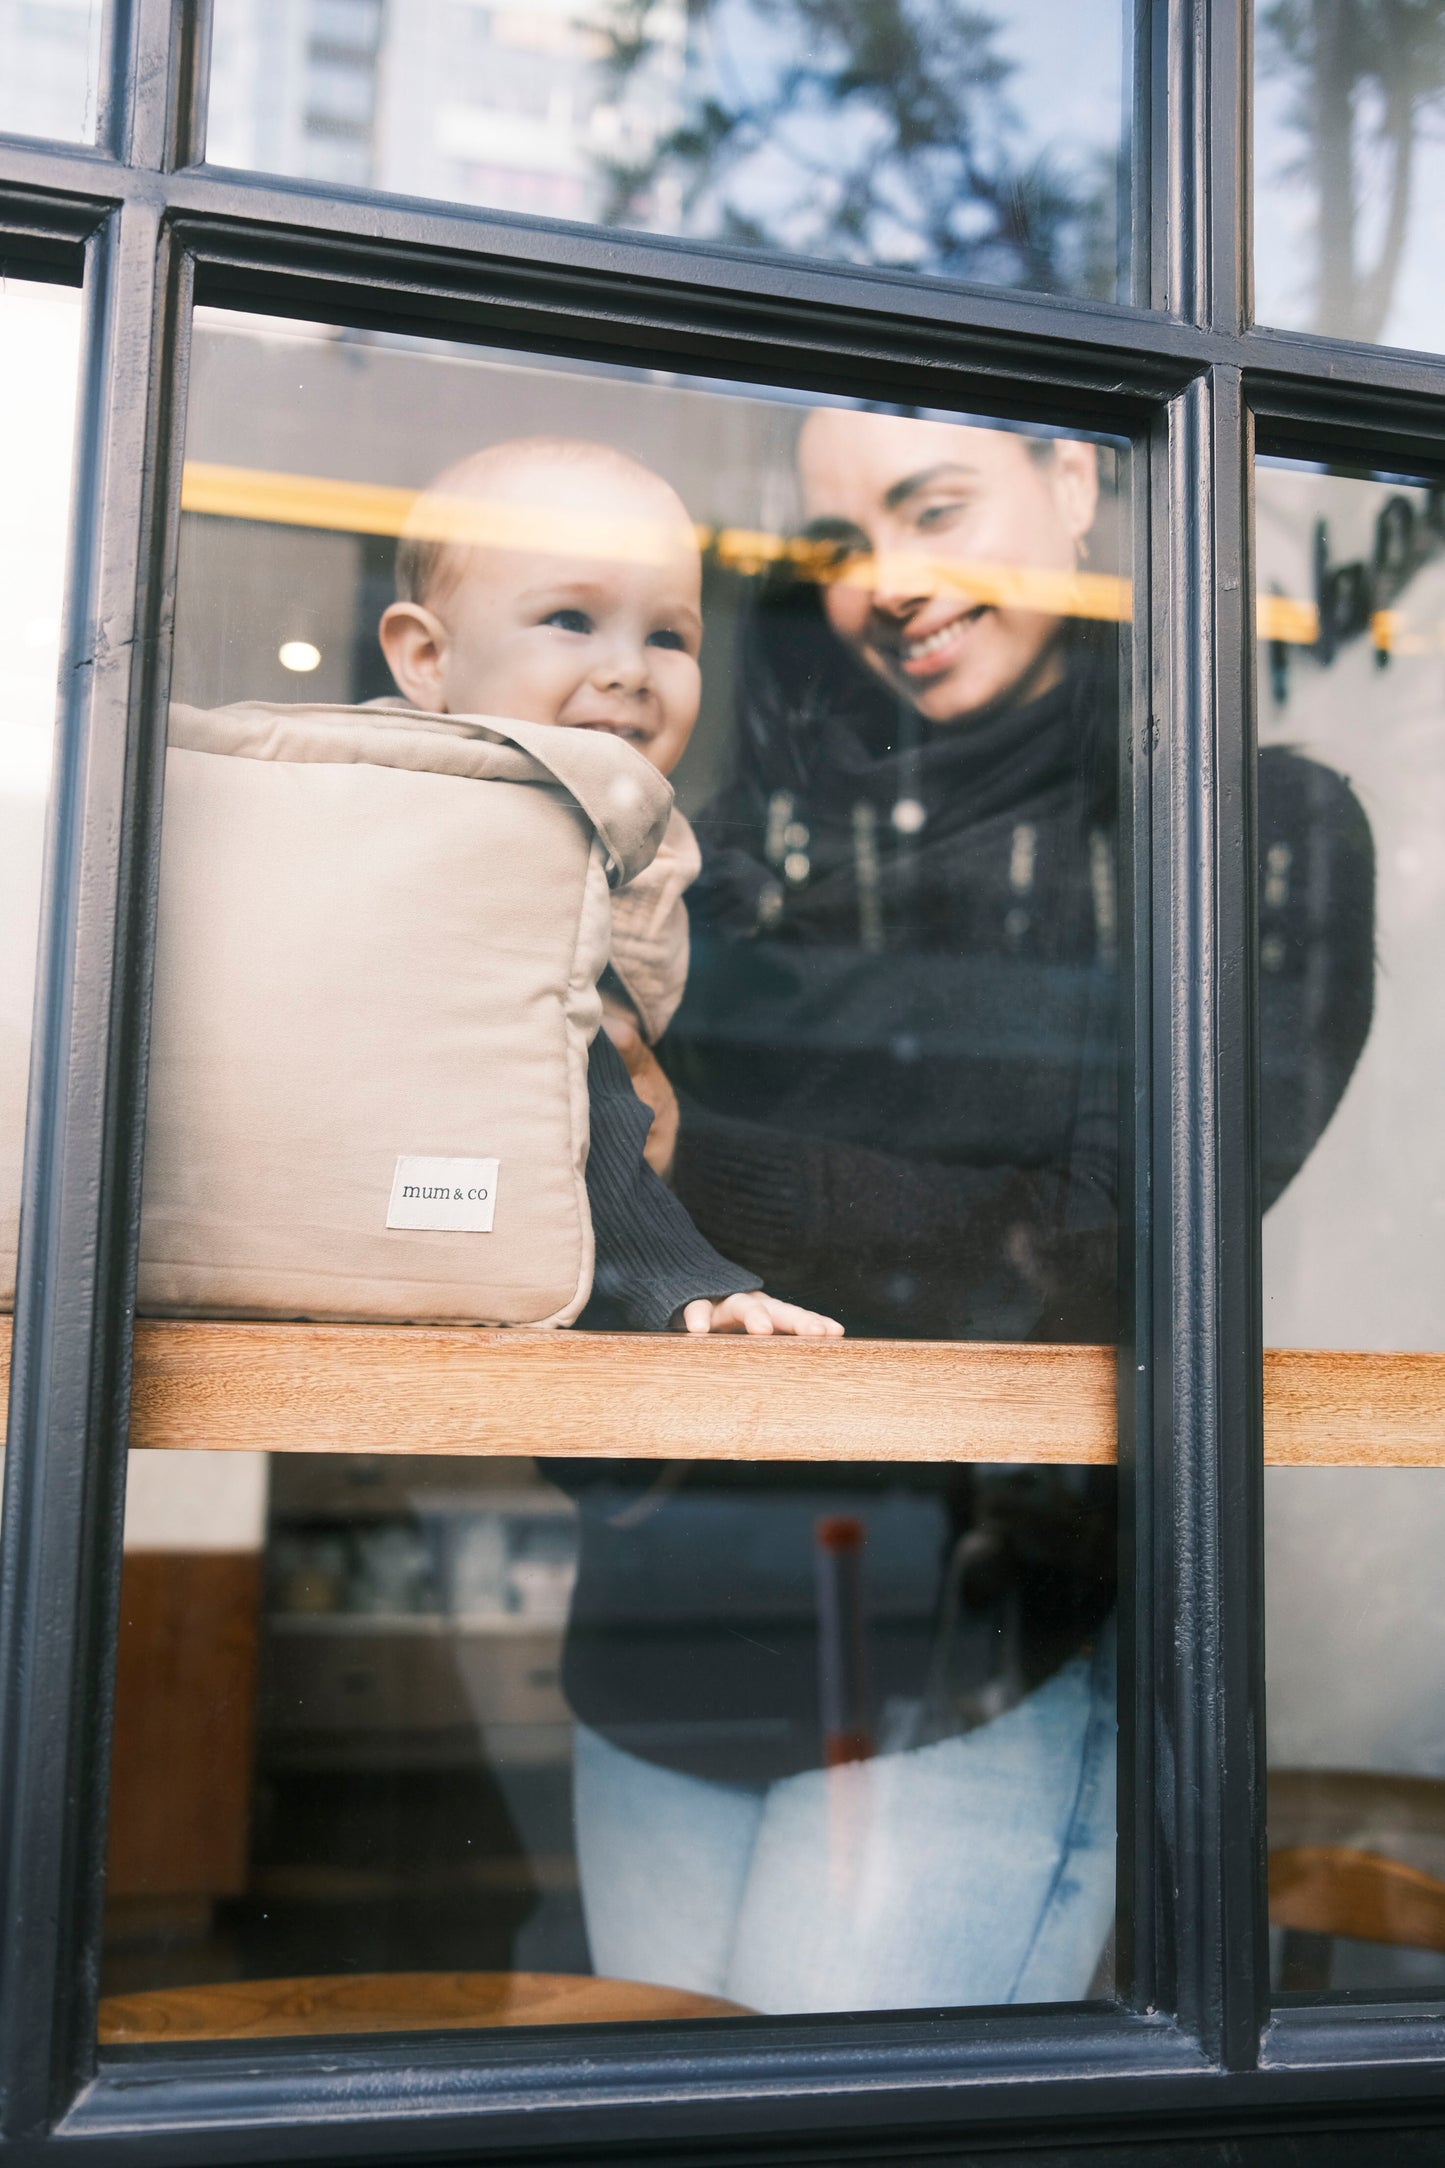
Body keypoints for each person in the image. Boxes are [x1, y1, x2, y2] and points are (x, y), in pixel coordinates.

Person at [555, 409, 1376, 2014]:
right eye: (845, 544)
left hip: (976, 1665)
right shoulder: (718, 869)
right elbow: (587, 1241)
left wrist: (688, 1161)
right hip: (660, 1643)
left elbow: (1100, 1253)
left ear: (1076, 484)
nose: (895, 580)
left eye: (934, 505)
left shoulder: (1249, 841)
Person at [376, 434, 843, 1343]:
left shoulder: (630, 838)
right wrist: (681, 1276)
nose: (628, 667)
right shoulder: (466, 829)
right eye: (570, 620)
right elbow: (573, 1084)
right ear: (426, 659)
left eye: (667, 635)